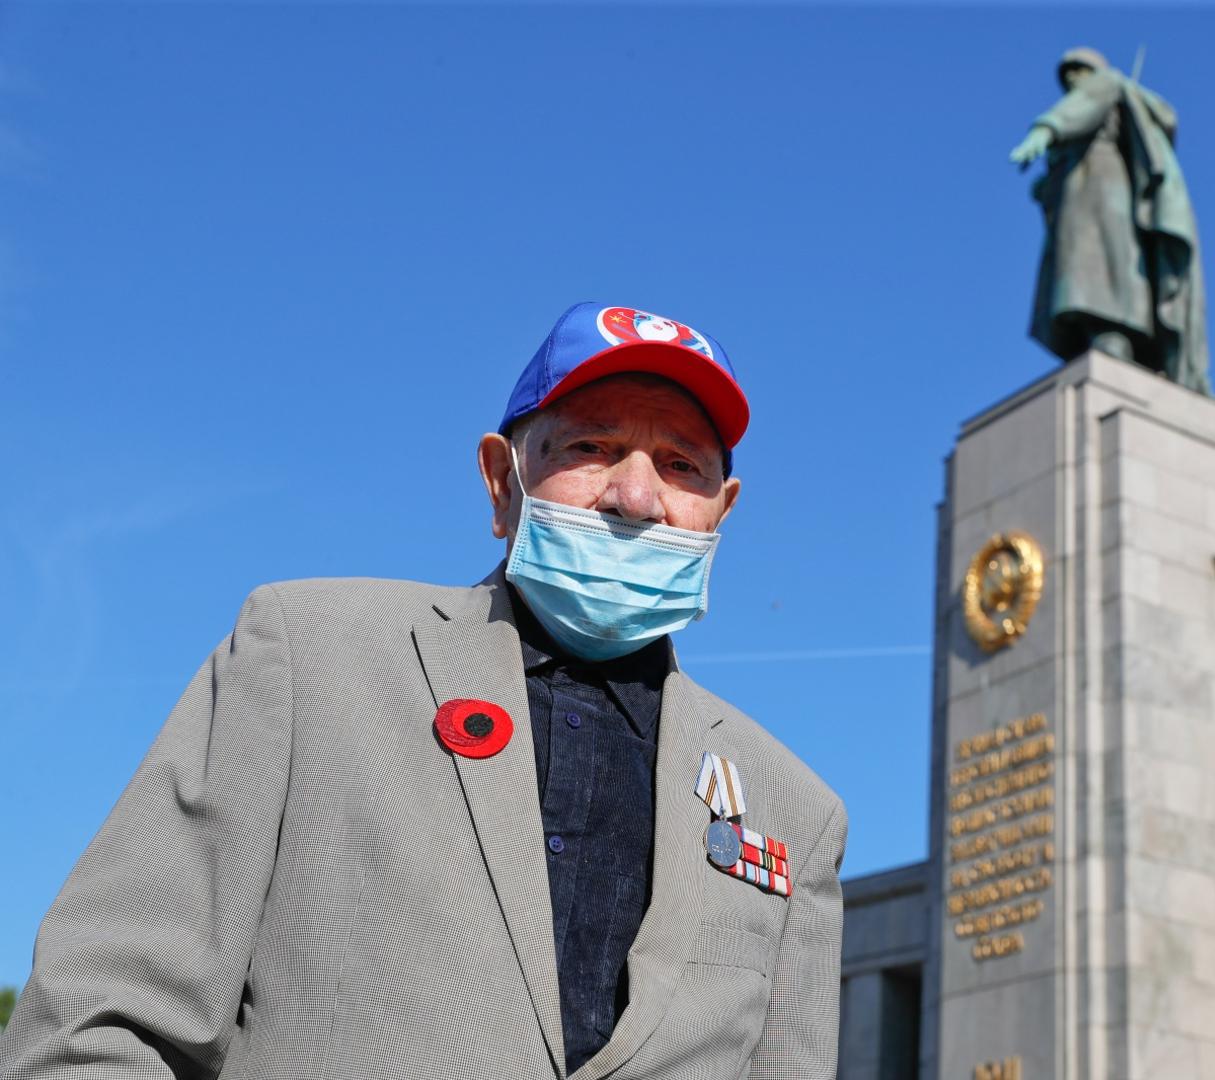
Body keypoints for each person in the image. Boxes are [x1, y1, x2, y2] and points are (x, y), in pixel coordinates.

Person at [0, 301, 847, 1080]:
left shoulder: (793, 813)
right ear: (502, 480)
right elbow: (96, 1024)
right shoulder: (309, 656)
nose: (634, 495)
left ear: (721, 511)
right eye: (589, 446)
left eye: (680, 464)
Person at [1009, 47, 1212, 395]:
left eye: (1078, 69)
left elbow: (1080, 108)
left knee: (1102, 268)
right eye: (1067, 72)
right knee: (1088, 271)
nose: (1072, 78)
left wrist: (1044, 131)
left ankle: (1113, 338)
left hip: (1100, 193)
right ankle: (1104, 343)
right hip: (1083, 194)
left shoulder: (1105, 84)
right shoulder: (1085, 112)